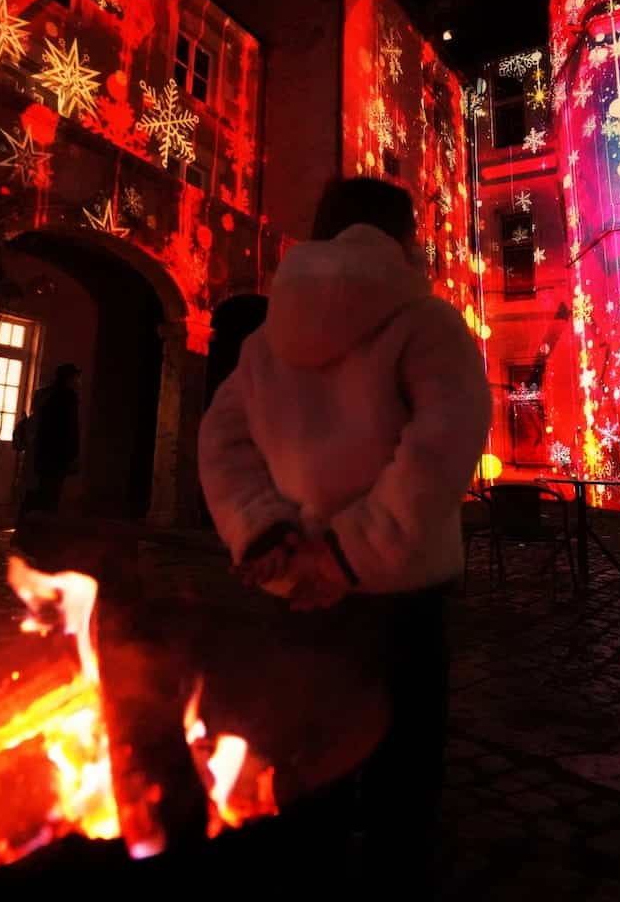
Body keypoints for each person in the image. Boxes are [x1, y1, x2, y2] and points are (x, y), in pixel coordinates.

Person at [198, 176, 492, 883]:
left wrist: (267, 533)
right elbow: (447, 438)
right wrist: (353, 550)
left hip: (296, 589)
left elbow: (222, 444)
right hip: (401, 592)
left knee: (307, 764)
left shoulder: (265, 341)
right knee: (404, 777)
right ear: (404, 238)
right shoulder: (426, 320)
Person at [13, 363, 81, 521]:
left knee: (33, 492)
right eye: (76, 377)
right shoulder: (68, 397)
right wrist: (73, 456)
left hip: (38, 451)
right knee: (49, 495)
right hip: (56, 455)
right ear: (70, 378)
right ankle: (39, 532)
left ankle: (25, 528)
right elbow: (70, 429)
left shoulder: (43, 394)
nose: (78, 382)